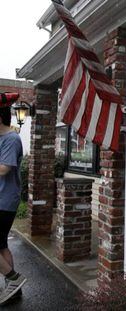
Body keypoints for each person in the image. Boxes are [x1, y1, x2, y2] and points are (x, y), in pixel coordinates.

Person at [0, 95, 26, 306]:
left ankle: (13, 279)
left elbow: (4, 169)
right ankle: (13, 290)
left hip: (5, 201)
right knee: (1, 246)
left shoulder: (11, 139)